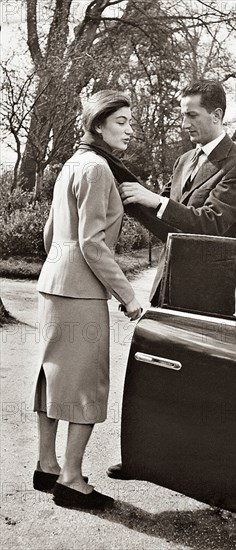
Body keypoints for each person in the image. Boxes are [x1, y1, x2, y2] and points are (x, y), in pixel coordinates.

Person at [107, 79, 236, 480]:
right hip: (169, 286)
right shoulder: (183, 161)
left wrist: (153, 200)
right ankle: (143, 458)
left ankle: (201, 471)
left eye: (191, 114)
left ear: (217, 115)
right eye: (182, 114)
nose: (184, 122)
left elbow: (212, 226)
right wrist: (129, 198)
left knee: (201, 383)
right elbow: (169, 229)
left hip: (207, 296)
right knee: (154, 372)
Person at [32, 90, 142, 509]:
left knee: (53, 375)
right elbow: (93, 244)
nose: (130, 130)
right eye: (122, 122)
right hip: (80, 290)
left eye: (130, 122)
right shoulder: (97, 169)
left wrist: (60, 264)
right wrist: (128, 296)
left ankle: (46, 464)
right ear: (98, 125)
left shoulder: (72, 164)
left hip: (53, 283)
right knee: (86, 385)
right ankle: (72, 479)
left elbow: (49, 234)